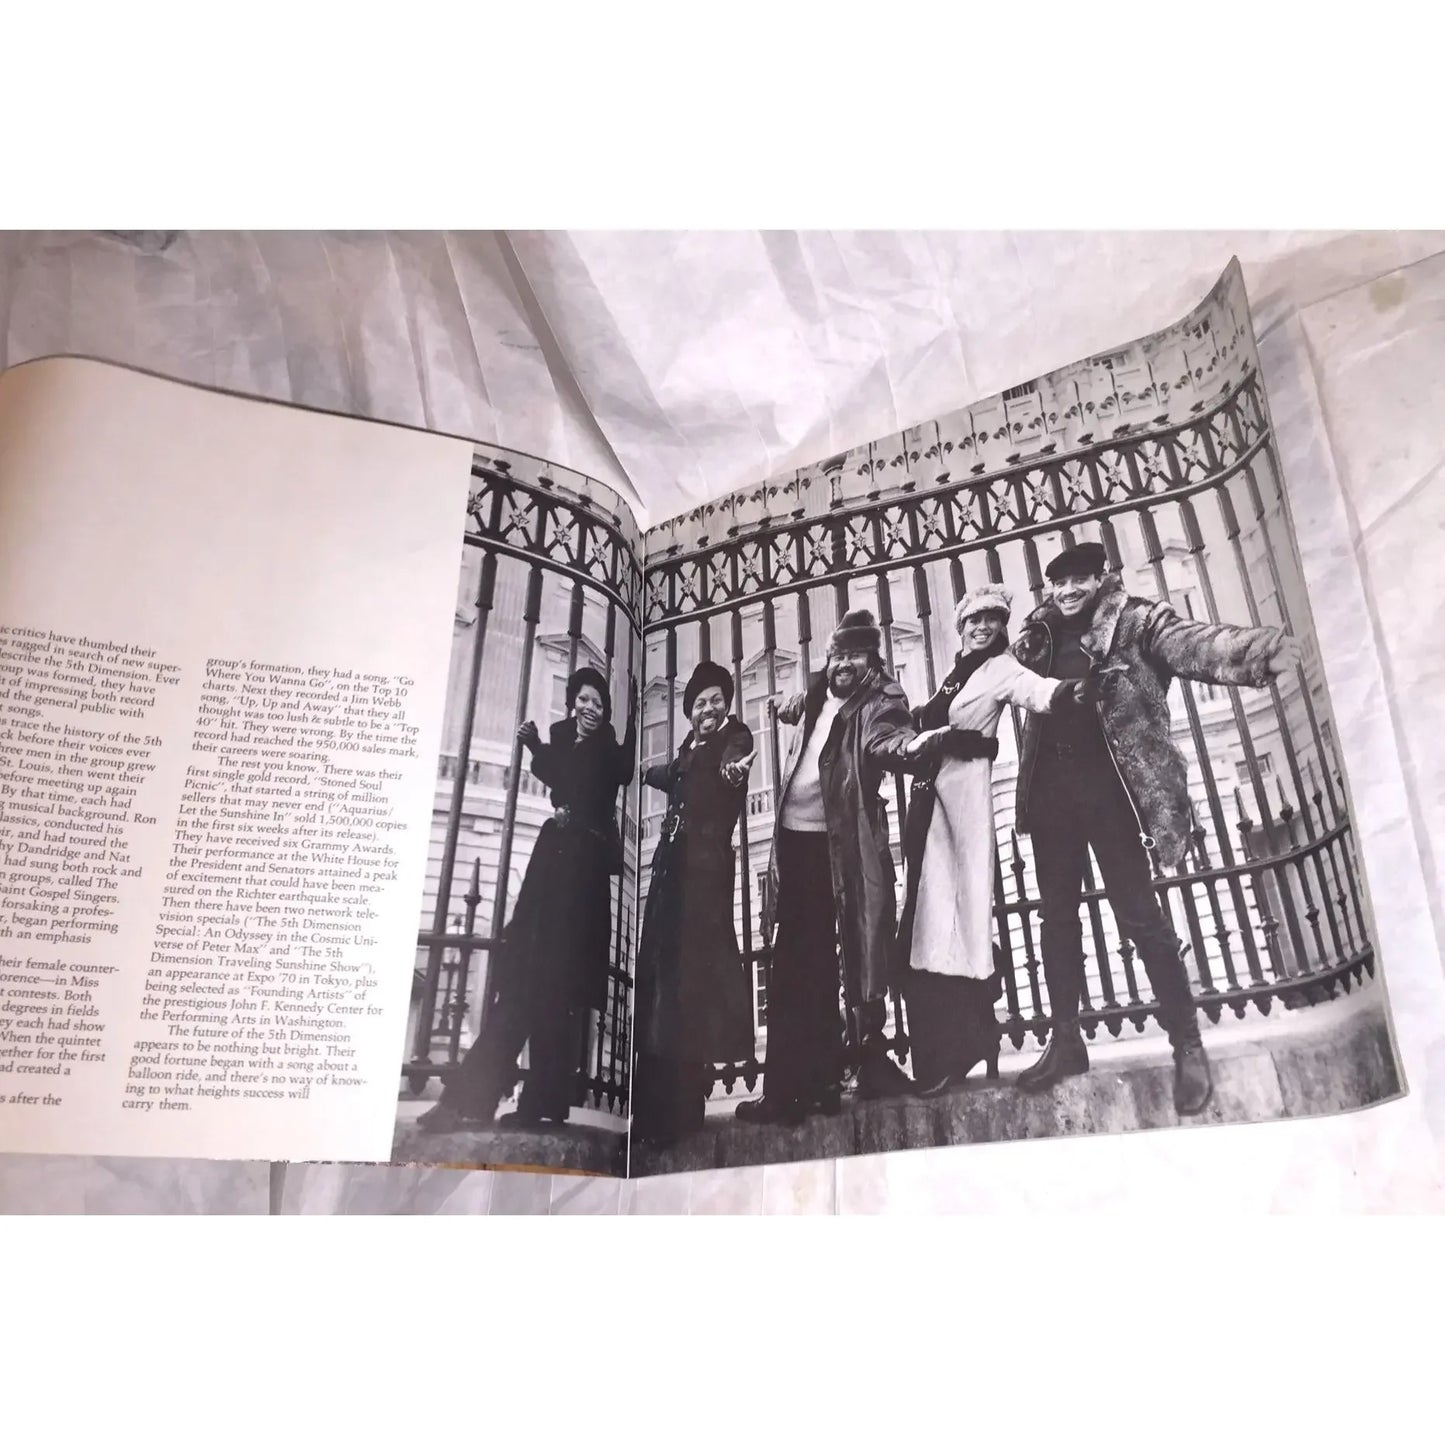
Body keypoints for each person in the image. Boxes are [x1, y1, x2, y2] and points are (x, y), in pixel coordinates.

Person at [1012, 540, 1299, 1115]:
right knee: (1057, 922)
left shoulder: (1138, 622)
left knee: (1141, 916)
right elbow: (988, 677)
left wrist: (1259, 652)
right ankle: (1065, 1039)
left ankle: (1186, 1042)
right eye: (1058, 583)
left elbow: (1195, 644)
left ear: (1102, 579)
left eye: (1079, 581)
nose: (1067, 592)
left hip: (1112, 795)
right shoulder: (1036, 637)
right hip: (1050, 801)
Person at [737, 609, 958, 1126]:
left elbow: (886, 738)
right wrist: (791, 704)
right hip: (791, 843)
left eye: (855, 654)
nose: (843, 663)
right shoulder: (819, 692)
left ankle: (791, 1092)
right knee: (800, 966)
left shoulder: (880, 699)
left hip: (839, 848)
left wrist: (914, 745)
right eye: (838, 654)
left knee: (824, 963)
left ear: (871, 659)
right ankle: (813, 1087)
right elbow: (809, 716)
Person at [418, 667, 637, 1133]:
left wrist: (630, 715)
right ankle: (527, 1101)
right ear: (571, 703)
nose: (590, 708)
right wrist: (538, 744)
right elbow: (554, 770)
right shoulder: (567, 742)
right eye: (583, 699)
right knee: (532, 985)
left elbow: (602, 771)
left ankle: (477, 1100)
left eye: (599, 702)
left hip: (580, 876)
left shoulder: (606, 753)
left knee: (544, 990)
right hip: (552, 866)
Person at [898, 583, 1076, 1097]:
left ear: (1002, 626)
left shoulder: (998, 669)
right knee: (930, 923)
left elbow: (1033, 690)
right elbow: (923, 730)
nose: (982, 627)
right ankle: (956, 1047)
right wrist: (928, 734)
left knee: (956, 922)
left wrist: (1066, 691)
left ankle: (962, 1047)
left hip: (964, 808)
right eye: (973, 620)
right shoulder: (956, 677)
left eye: (991, 620)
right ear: (961, 627)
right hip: (931, 806)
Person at [631, 661, 756, 1148]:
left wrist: (730, 772)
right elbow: (675, 774)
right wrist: (647, 773)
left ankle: (682, 1107)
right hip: (671, 871)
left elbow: (731, 767)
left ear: (726, 703)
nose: (708, 708)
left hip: (703, 881)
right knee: (665, 982)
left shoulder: (736, 739)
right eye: (699, 703)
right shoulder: (690, 747)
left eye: (715, 700)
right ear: (690, 714)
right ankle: (663, 1105)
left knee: (690, 985)